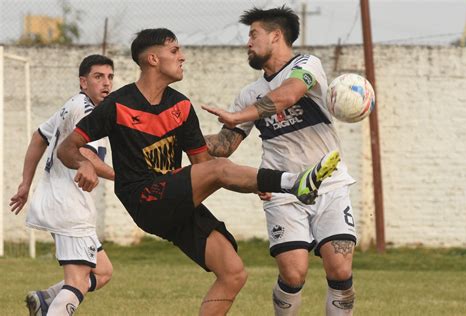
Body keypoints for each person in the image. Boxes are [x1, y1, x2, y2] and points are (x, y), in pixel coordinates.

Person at [56, 28, 341, 316]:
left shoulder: (181, 106)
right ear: (153, 59)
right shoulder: (117, 105)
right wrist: (83, 164)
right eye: (175, 51)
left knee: (233, 273)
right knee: (224, 171)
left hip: (176, 200)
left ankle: (289, 183)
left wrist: (255, 183)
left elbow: (205, 168)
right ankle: (294, 183)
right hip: (144, 197)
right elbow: (67, 148)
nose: (183, 57)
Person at [202, 6, 357, 316]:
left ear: (275, 36)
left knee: (339, 269)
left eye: (253, 34)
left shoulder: (306, 65)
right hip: (282, 190)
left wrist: (238, 116)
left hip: (330, 184)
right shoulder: (249, 94)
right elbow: (223, 146)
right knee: (293, 272)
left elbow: (287, 95)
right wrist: (178, 137)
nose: (248, 42)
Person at [9, 54, 115, 316]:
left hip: (58, 202)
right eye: (98, 77)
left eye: (110, 77)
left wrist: (26, 184)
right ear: (83, 82)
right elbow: (87, 157)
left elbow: (38, 137)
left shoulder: (71, 105)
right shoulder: (87, 110)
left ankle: (45, 300)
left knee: (102, 272)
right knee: (77, 282)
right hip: (69, 206)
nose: (106, 83)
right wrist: (127, 177)